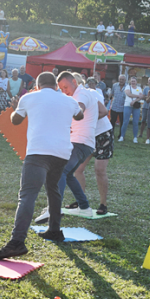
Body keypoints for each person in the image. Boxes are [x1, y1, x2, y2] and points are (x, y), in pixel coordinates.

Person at [0, 72, 84, 258]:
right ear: (56, 86)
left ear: (38, 85)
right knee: (53, 189)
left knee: (27, 195)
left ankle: (17, 241)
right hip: (62, 153)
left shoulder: (29, 97)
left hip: (38, 152)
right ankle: (55, 230)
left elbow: (16, 120)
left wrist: (16, 108)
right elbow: (79, 116)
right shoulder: (67, 100)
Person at [34, 72, 98, 221]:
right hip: (84, 143)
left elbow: (79, 109)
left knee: (60, 171)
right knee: (68, 175)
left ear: (74, 82)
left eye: (65, 86)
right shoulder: (79, 95)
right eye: (61, 88)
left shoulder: (82, 94)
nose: (64, 91)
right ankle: (85, 207)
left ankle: (53, 208)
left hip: (80, 142)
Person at [71, 77, 113, 214]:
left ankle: (103, 204)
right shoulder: (70, 97)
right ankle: (81, 202)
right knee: (77, 169)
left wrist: (87, 122)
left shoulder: (91, 93)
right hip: (88, 134)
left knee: (99, 170)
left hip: (102, 133)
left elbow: (104, 112)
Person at [119, 77, 143, 143]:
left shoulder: (139, 88)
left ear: (136, 82)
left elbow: (141, 97)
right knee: (125, 122)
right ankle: (122, 136)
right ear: (130, 81)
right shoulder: (127, 87)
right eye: (132, 81)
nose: (133, 82)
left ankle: (135, 137)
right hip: (127, 105)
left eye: (134, 81)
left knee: (135, 122)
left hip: (136, 106)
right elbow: (129, 94)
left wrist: (134, 101)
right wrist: (137, 96)